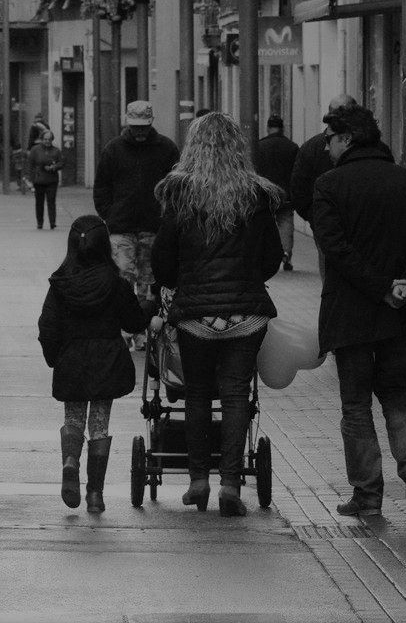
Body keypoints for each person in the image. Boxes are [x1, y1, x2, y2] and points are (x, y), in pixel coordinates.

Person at [151, 112, 284, 517]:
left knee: (195, 395)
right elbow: (272, 259)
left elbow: (163, 263)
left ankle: (197, 482)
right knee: (235, 394)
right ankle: (230, 484)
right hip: (246, 314)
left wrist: (184, 283)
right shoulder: (256, 195)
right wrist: (246, 280)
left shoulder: (179, 195)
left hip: (196, 316)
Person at [312, 105, 406, 516]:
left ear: (347, 139)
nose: (327, 147)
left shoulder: (330, 186)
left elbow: (336, 248)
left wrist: (379, 287)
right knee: (395, 390)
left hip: (352, 312)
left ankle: (368, 493)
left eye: (330, 138)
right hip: (401, 313)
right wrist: (405, 285)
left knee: (355, 402)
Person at [38, 215, 152, 514]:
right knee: (99, 425)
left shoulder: (60, 283)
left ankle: (70, 461)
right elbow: (133, 321)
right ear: (105, 247)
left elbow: (47, 325)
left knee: (74, 419)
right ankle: (95, 494)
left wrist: (55, 359)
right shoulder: (115, 283)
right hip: (106, 361)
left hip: (72, 360)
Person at [93, 100, 180, 349]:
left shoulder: (166, 148)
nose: (139, 131)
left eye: (143, 126)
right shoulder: (113, 150)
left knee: (149, 283)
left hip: (154, 228)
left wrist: (167, 217)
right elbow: (102, 187)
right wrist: (110, 215)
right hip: (122, 227)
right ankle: (125, 330)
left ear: (151, 122)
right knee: (122, 280)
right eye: (135, 126)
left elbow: (175, 187)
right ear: (127, 123)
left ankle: (143, 331)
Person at [290, 94, 358, 227]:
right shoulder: (313, 148)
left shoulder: (311, 147)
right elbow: (299, 190)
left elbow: (299, 191)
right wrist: (316, 218)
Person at [254, 114, 300, 271]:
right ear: (283, 128)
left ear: (268, 127)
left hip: (265, 193)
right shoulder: (292, 147)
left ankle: (267, 253)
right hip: (286, 194)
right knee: (286, 222)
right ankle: (286, 253)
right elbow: (297, 172)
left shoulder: (259, 146)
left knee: (266, 222)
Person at [27, 129, 63, 230]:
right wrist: (31, 178)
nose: (47, 141)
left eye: (49, 139)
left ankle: (52, 222)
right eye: (45, 139)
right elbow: (30, 164)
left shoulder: (56, 151)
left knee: (51, 201)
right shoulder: (35, 150)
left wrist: (54, 167)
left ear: (52, 140)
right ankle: (40, 222)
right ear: (42, 139)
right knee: (39, 202)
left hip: (52, 180)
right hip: (39, 180)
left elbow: (61, 163)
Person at [0, 113, 20, 192]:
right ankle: (7, 184)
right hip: (6, 150)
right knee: (7, 166)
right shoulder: (7, 128)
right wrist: (12, 146)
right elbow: (12, 139)